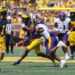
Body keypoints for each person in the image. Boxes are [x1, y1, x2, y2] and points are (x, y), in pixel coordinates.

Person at [0, 7, 7, 73]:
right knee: (0, 54)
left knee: (2, 56)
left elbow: (4, 30)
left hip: (2, 39)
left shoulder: (5, 20)